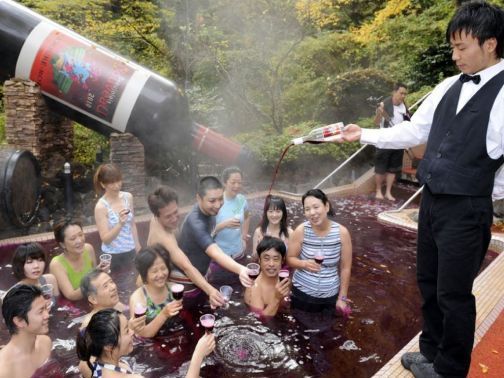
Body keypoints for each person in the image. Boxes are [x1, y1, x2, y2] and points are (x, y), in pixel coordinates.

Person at [337, 3, 504, 376]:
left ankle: (449, 369)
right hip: (432, 202)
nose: (455, 55)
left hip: (466, 207)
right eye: (452, 47)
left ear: (490, 44)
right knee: (428, 282)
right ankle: (429, 352)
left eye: (462, 47)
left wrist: (487, 194)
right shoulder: (448, 85)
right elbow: (413, 132)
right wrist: (362, 133)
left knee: (454, 294)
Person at [77, 308, 215, 378]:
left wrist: (127, 327)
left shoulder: (93, 362)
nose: (132, 332)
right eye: (126, 331)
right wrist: (199, 354)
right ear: (108, 346)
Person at [146, 186, 224, 308]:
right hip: (156, 283)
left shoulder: (156, 218)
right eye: (168, 216)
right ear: (157, 215)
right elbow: (186, 266)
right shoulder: (165, 238)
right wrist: (210, 290)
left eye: (175, 212)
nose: (174, 218)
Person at [177, 176, 253, 288]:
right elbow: (215, 252)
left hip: (201, 273)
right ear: (199, 198)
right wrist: (241, 269)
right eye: (212, 201)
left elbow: (212, 235)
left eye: (220, 199)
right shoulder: (196, 222)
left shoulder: (209, 211)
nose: (218, 205)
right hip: (187, 280)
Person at [287, 189, 352, 315]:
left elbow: (345, 268)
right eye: (307, 209)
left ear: (326, 206)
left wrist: (342, 298)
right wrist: (304, 264)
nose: (312, 213)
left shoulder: (342, 233)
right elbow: (290, 258)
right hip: (301, 293)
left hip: (329, 297)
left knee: (327, 331)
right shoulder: (301, 230)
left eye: (316, 207)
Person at [78, 270, 144, 378]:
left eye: (111, 282)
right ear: (93, 299)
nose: (113, 287)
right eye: (105, 286)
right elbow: (84, 364)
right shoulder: (89, 325)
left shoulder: (117, 306)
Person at [128, 245, 184, 338]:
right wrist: (164, 314)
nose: (161, 274)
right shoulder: (138, 299)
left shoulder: (174, 289)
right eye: (154, 271)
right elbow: (141, 334)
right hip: (153, 343)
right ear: (144, 274)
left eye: (163, 268)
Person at [94, 163, 141, 270]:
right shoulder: (101, 207)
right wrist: (119, 224)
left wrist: (137, 246)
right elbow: (105, 239)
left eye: (118, 180)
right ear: (102, 184)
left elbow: (132, 224)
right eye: (112, 182)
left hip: (131, 250)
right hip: (113, 256)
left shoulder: (128, 197)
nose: (117, 185)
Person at [0, 285, 53, 378]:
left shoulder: (45, 342)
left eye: (46, 308)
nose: (47, 315)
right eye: (40, 311)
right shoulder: (4, 369)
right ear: (19, 321)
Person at [373, 82, 410, 201]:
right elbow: (376, 123)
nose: (403, 96)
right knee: (380, 167)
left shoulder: (404, 106)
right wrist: (379, 112)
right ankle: (378, 191)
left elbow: (408, 121)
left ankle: (388, 192)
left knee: (393, 168)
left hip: (398, 141)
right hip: (384, 140)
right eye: (401, 93)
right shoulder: (385, 104)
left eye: (405, 94)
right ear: (394, 92)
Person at [50, 219, 101, 301]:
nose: (79, 241)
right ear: (62, 244)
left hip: (94, 297)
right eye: (73, 238)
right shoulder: (56, 264)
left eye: (81, 235)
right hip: (75, 306)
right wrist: (95, 281)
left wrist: (100, 271)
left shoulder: (88, 249)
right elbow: (71, 295)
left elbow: (94, 274)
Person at [244, 236, 290, 318]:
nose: (271, 264)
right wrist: (277, 298)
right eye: (266, 258)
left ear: (282, 260)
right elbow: (261, 320)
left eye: (276, 259)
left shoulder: (284, 279)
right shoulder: (254, 286)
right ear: (259, 260)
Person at [213, 166, 251, 260]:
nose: (237, 186)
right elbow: (207, 233)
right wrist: (224, 224)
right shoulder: (215, 202)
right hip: (220, 255)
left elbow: (247, 216)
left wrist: (244, 236)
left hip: (239, 252)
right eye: (233, 182)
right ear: (225, 182)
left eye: (239, 183)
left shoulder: (242, 199)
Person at [252, 195, 293, 259]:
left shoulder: (289, 233)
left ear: (283, 213)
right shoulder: (259, 232)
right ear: (266, 213)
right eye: (270, 211)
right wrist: (259, 249)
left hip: (283, 268)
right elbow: (254, 259)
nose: (274, 215)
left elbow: (292, 259)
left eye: (278, 211)